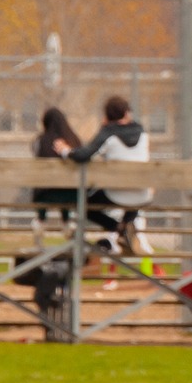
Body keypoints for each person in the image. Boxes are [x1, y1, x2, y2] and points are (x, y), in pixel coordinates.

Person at [67, 96, 153, 265]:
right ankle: (126, 227)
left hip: (117, 194)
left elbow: (83, 155)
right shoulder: (142, 132)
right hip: (143, 196)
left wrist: (65, 151)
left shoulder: (108, 133)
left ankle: (117, 229)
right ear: (127, 113)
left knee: (83, 203)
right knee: (134, 192)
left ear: (106, 116)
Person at [30, 107, 84, 224]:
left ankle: (40, 219)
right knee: (64, 187)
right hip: (72, 194)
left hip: (46, 193)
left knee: (42, 183)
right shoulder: (74, 140)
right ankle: (66, 221)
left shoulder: (41, 140)